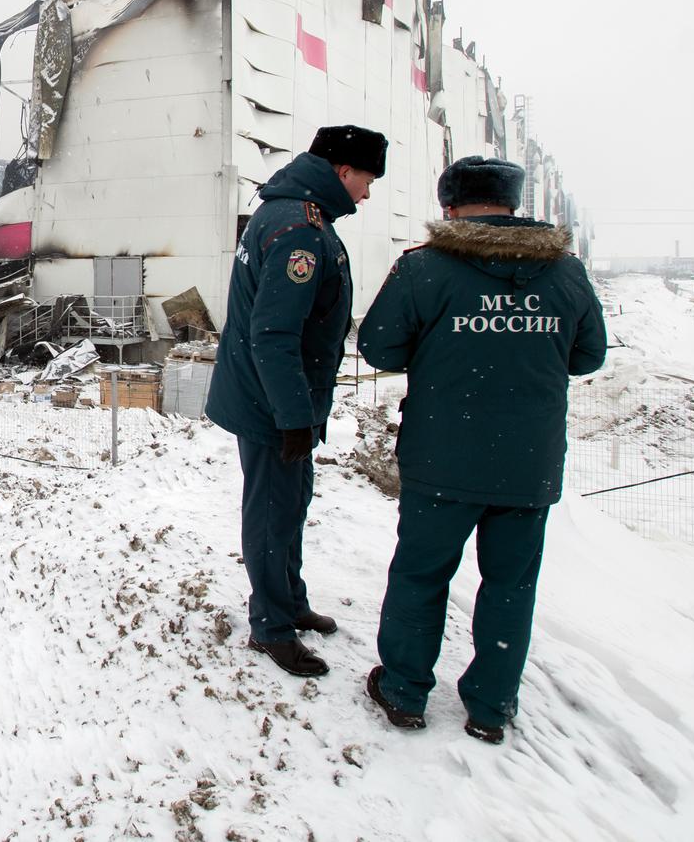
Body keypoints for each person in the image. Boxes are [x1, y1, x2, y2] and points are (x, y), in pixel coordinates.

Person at [357, 156, 606, 743]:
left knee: (420, 576)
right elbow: (588, 356)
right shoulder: (565, 273)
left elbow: (379, 349)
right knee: (511, 585)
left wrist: (446, 343)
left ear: (449, 207)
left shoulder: (425, 269)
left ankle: (403, 691)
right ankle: (492, 705)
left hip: (442, 458)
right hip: (527, 463)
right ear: (512, 205)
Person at [207, 124, 388, 677]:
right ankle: (272, 627)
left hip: (279, 397)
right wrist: (292, 418)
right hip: (273, 403)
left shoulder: (290, 213)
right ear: (343, 171)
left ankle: (289, 599)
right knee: (272, 512)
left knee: (290, 506)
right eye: (367, 180)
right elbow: (275, 335)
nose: (368, 193)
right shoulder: (300, 230)